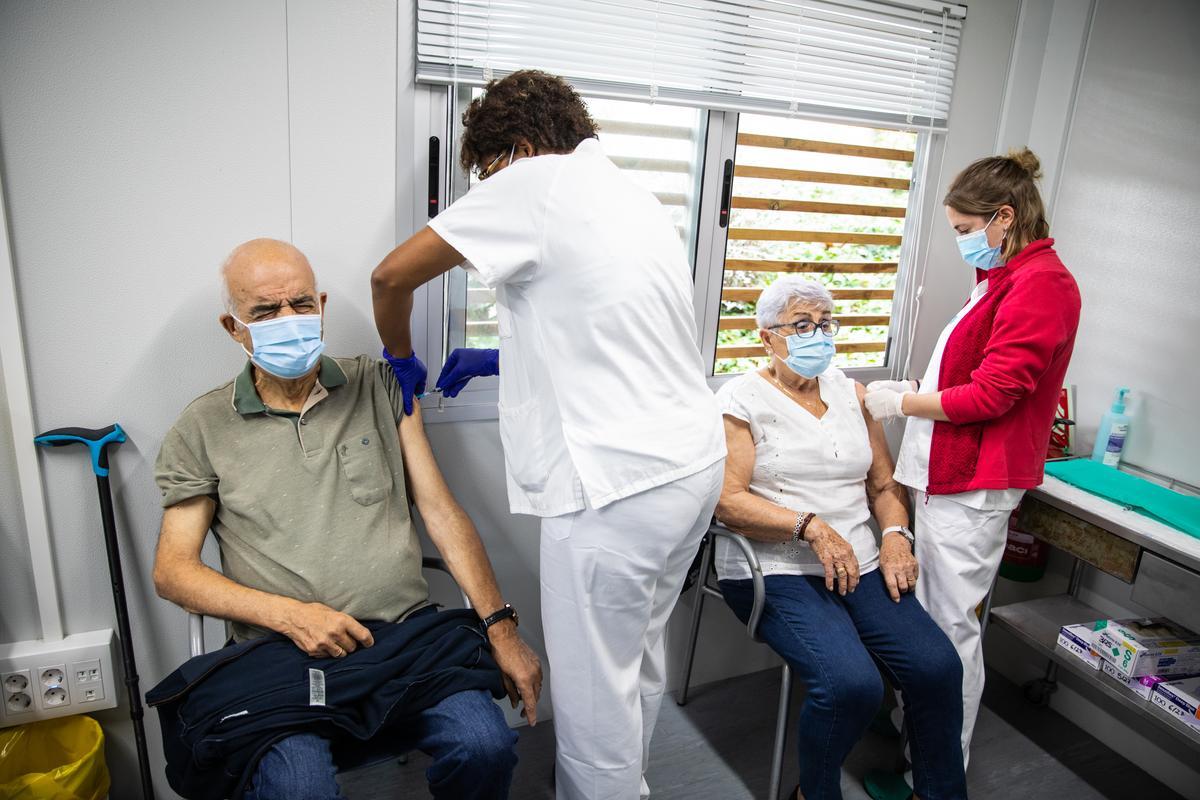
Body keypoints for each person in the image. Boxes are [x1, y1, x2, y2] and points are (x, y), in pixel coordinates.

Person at [369, 70, 725, 799]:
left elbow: (389, 279)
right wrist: (502, 357)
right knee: (635, 666)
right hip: (690, 467)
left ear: (522, 147)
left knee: (593, 707)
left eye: (489, 171)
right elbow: (607, 325)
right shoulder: (630, 195)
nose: (488, 189)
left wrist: (401, 356)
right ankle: (633, 784)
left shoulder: (533, 182)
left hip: (616, 489)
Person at [151, 238, 542, 800]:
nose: (288, 320)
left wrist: (500, 627)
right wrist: (292, 617)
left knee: (486, 746)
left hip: (406, 638)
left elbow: (440, 511)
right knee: (298, 788)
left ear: (322, 305)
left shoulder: (381, 385)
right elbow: (174, 572)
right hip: (284, 653)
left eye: (301, 304)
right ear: (233, 327)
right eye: (265, 311)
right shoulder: (202, 427)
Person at [864, 148, 1081, 767]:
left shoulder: (1043, 285)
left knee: (948, 632)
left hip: (975, 485)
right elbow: (966, 373)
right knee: (927, 621)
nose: (961, 242)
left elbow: (993, 393)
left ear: (1004, 217)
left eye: (964, 230)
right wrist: (912, 396)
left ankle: (935, 771)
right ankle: (913, 728)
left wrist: (903, 401)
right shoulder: (1002, 279)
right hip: (947, 475)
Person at [714, 277, 966, 800]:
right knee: (852, 686)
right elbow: (727, 500)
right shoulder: (741, 398)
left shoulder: (851, 392)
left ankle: (938, 793)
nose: (818, 335)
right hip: (776, 566)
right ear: (767, 337)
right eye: (802, 325)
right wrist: (809, 526)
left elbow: (882, 484)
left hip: (860, 562)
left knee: (938, 668)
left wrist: (896, 534)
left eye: (826, 324)